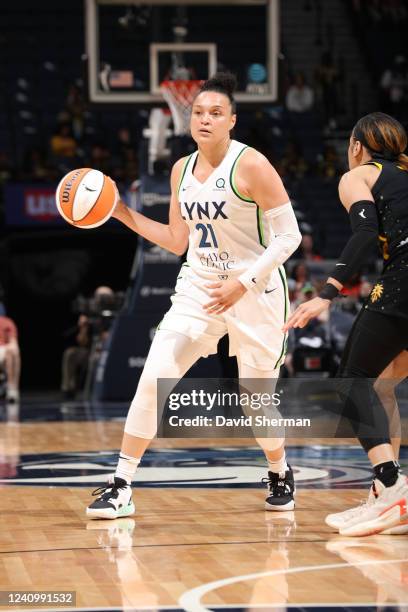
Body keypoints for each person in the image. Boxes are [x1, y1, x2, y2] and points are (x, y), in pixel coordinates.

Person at [87, 72, 302, 519]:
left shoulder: (252, 166)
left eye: (215, 113)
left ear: (232, 121)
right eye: (199, 112)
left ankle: (279, 469)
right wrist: (120, 212)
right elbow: (175, 240)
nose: (205, 119)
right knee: (154, 377)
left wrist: (243, 281)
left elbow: (289, 238)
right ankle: (121, 484)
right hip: (199, 287)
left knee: (254, 400)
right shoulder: (181, 170)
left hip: (255, 290)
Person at [284, 112, 408, 536]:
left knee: (352, 381)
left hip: (404, 279)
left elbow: (364, 234)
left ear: (357, 145)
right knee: (382, 385)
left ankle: (393, 486)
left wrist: (327, 293)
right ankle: (385, 494)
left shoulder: (359, 176)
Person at [0, 316, 21, 402]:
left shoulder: (6, 322)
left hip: (2, 350)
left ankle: (12, 388)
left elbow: (13, 344)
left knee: (13, 353)